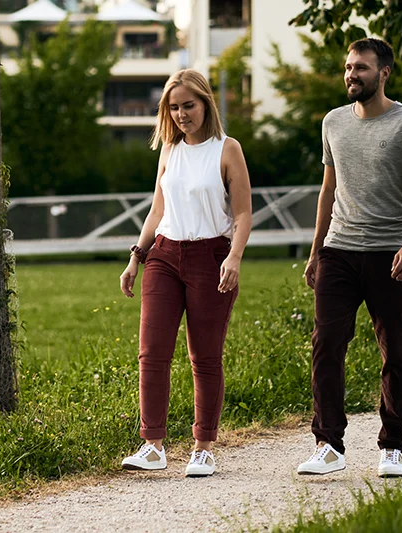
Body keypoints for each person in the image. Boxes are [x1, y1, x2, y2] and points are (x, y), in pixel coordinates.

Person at [296, 38, 402, 478]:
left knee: (395, 350)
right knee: (326, 346)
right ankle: (329, 445)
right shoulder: (333, 122)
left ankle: (392, 446)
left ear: (384, 73)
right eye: (347, 67)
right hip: (339, 250)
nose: (351, 74)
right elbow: (328, 190)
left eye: (360, 67)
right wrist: (316, 251)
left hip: (390, 253)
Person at [118, 69, 252, 477]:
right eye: (173, 107)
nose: (180, 114)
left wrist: (234, 257)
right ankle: (153, 444)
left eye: (188, 106)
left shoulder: (227, 150)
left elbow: (244, 213)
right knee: (152, 352)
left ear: (206, 103)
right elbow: (158, 211)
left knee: (204, 357)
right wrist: (137, 256)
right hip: (164, 254)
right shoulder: (169, 151)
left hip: (210, 257)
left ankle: (203, 447)